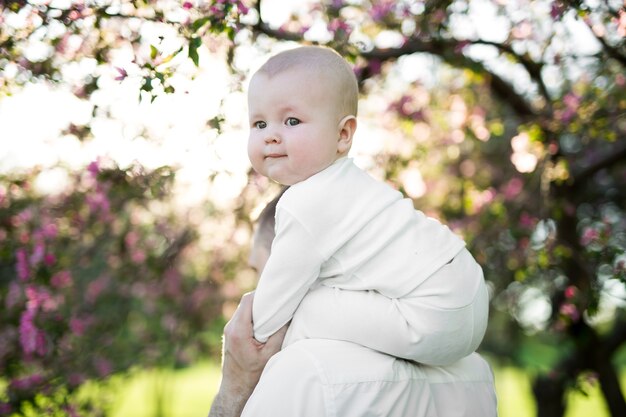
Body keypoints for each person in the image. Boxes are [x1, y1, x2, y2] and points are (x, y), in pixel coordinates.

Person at [247, 45, 489, 366]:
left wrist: (254, 338)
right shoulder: (352, 184)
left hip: (434, 312)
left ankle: (286, 382)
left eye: (291, 121)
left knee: (300, 311)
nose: (271, 136)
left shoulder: (304, 202)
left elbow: (271, 306)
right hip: (466, 287)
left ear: (343, 134)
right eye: (259, 124)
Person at [207, 190, 498, 417]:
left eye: (262, 273)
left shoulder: (300, 371)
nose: (259, 294)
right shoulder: (474, 369)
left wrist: (234, 387)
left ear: (291, 269)